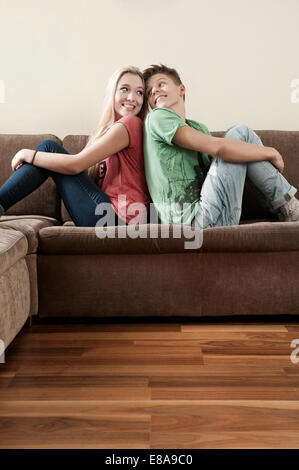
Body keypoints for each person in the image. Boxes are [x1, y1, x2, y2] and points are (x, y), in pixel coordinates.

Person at [142, 64, 299, 229]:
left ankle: (286, 207)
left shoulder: (198, 129)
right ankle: (290, 207)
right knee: (241, 133)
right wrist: (270, 152)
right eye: (149, 92)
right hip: (193, 223)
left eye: (161, 84)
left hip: (221, 215)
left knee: (239, 144)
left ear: (181, 89)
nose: (155, 91)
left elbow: (221, 174)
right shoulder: (156, 118)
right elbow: (220, 149)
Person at [0, 66, 151, 227]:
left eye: (139, 92)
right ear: (112, 94)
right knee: (49, 150)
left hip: (119, 220)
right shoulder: (110, 131)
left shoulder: (131, 123)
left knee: (49, 147)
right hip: (111, 217)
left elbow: (76, 165)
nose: (132, 97)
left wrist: (28, 154)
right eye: (125, 89)